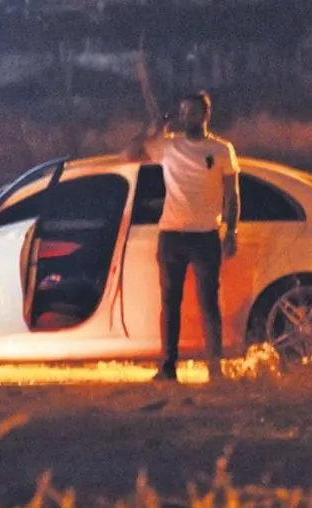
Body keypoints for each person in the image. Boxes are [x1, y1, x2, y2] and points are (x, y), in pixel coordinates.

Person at [123, 91, 241, 382]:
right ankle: (167, 367)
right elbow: (127, 155)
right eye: (183, 111)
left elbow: (232, 195)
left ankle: (215, 368)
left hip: (206, 236)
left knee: (208, 303)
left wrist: (231, 231)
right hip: (171, 234)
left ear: (205, 115)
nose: (187, 117)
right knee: (169, 303)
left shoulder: (221, 149)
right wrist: (153, 129)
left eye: (193, 112)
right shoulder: (168, 146)